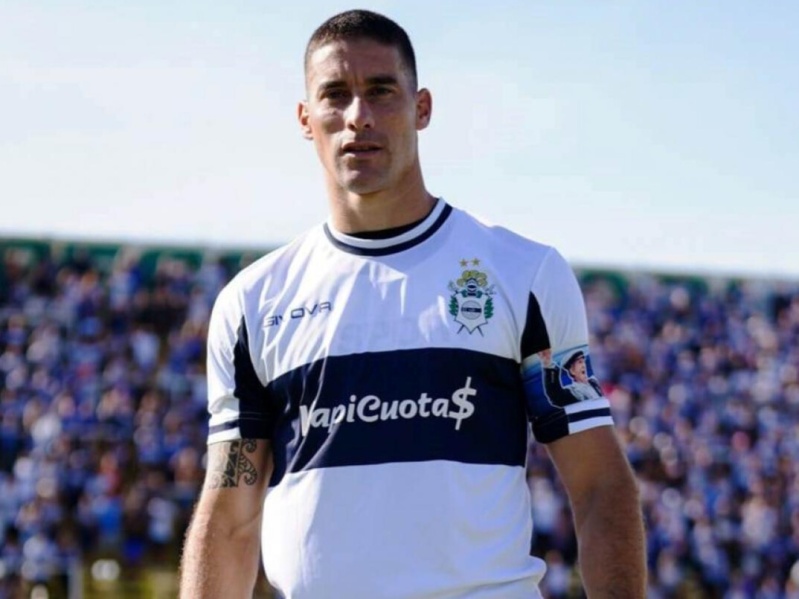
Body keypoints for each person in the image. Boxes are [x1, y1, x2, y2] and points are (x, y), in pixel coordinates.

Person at [179, 9, 646, 599]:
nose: (359, 116)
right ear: (305, 119)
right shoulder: (253, 302)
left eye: (381, 91)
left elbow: (600, 485)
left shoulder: (522, 274)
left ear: (422, 108)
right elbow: (229, 516)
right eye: (335, 95)